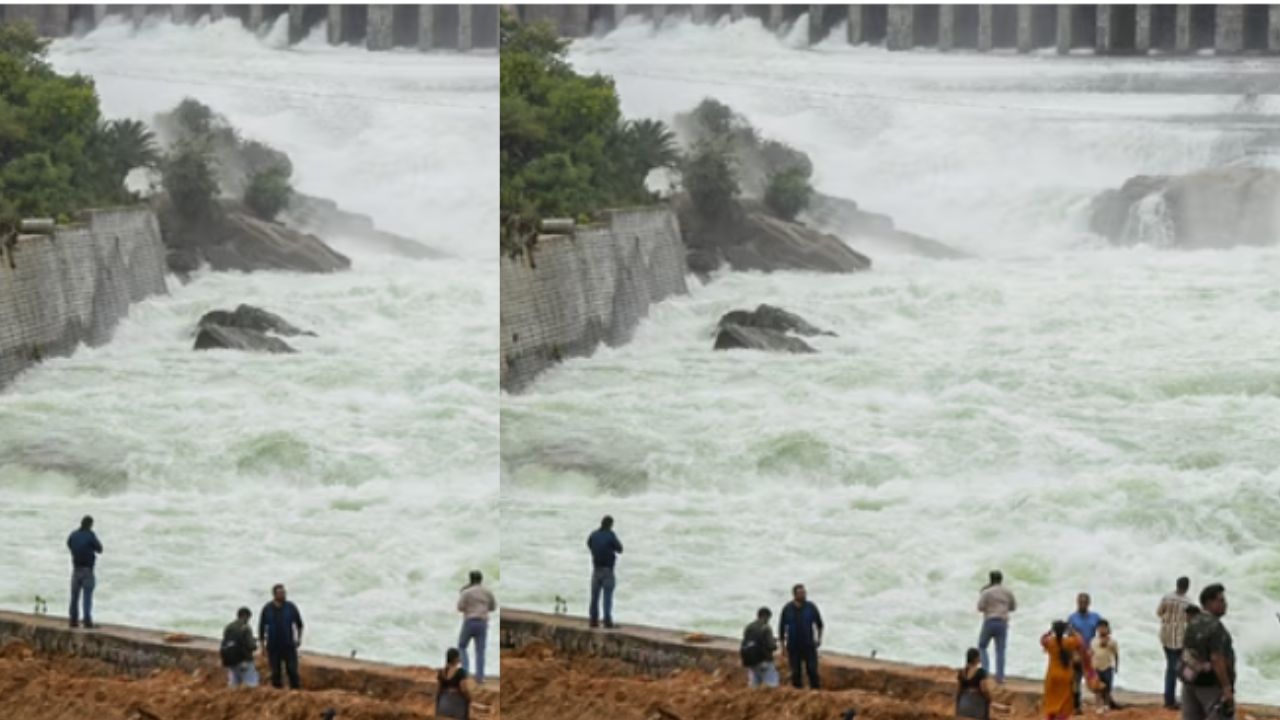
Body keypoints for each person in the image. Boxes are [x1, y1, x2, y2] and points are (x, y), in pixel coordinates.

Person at [1180, 584, 1235, 720]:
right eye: (1221, 600)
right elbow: (1216, 658)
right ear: (1209, 602)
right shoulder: (1215, 626)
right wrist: (1227, 688)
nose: (1225, 604)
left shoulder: (1193, 622)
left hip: (1190, 683)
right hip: (1211, 685)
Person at [778, 583, 824, 689]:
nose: (803, 595)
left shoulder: (811, 607)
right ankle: (797, 692)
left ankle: (816, 691)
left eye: (804, 592)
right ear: (794, 594)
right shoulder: (787, 608)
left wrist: (819, 639)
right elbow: (781, 629)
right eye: (801, 593)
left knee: (812, 670)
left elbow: (820, 624)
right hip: (793, 645)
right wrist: (783, 647)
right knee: (795, 672)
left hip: (808, 644)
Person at [258, 584, 304, 689]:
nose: (283, 595)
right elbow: (261, 628)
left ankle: (295, 691)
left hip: (288, 644)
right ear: (274, 594)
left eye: (284, 592)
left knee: (292, 670)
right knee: (275, 672)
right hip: (273, 645)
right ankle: (277, 692)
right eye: (280, 593)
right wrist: (262, 646)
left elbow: (299, 624)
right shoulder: (267, 608)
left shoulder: (291, 607)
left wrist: (299, 639)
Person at [1158, 576, 1192, 710]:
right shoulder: (1188, 602)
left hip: (1165, 636)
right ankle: (1174, 700)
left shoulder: (1166, 597)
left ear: (1176, 584)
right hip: (1179, 639)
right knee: (1180, 669)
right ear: (1187, 587)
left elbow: (1159, 612)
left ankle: (1170, 699)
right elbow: (1189, 620)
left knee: (1171, 668)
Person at [977, 570, 1017, 683]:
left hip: (990, 621)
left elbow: (980, 607)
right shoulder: (1007, 592)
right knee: (1000, 650)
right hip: (1002, 622)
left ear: (990, 579)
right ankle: (1000, 677)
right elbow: (1013, 607)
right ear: (1001, 579)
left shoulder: (986, 592)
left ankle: (985, 672)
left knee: (982, 646)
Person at [457, 570, 497, 684]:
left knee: (462, 646)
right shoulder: (487, 592)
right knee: (480, 650)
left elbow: (459, 607)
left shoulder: (466, 592)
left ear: (470, 579)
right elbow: (493, 607)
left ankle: (465, 672)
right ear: (481, 579)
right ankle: (480, 677)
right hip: (482, 622)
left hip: (470, 621)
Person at [1068, 592, 1103, 713]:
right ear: (1077, 602)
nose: (1082, 604)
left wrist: (1099, 648)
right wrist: (1073, 654)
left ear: (1089, 603)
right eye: (1080, 602)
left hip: (1091, 653)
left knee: (1095, 680)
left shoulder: (1096, 617)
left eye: (1084, 602)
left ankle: (1101, 705)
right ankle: (1076, 706)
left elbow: (1103, 631)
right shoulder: (1072, 618)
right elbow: (1069, 637)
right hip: (1078, 653)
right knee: (1076, 680)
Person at [66, 516, 103, 629]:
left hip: (76, 569)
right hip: (87, 570)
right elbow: (100, 549)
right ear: (90, 524)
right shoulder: (90, 535)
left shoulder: (73, 535)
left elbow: (69, 544)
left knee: (74, 596)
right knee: (87, 596)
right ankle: (87, 620)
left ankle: (73, 620)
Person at [586, 515, 623, 629]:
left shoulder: (593, 534)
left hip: (596, 569)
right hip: (608, 570)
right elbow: (620, 549)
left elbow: (589, 544)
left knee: (594, 597)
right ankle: (607, 621)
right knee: (607, 596)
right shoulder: (610, 535)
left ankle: (593, 620)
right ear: (610, 525)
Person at [1042, 620, 1083, 720]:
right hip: (1066, 675)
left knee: (1051, 700)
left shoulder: (1050, 642)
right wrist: (1072, 630)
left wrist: (1049, 631)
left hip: (1052, 675)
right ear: (1064, 630)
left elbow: (1042, 640)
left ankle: (1051, 717)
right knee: (1066, 701)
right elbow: (1080, 640)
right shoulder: (1069, 642)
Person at [741, 606, 779, 689]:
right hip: (764, 660)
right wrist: (775, 645)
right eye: (768, 618)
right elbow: (771, 645)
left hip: (751, 660)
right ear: (766, 616)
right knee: (771, 684)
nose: (768, 620)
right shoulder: (766, 627)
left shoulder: (749, 627)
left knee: (754, 685)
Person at [221, 607, 259, 688]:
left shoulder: (229, 627)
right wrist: (255, 644)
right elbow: (251, 645)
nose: (248, 620)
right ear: (245, 616)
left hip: (231, 660)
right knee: (251, 684)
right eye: (248, 618)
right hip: (244, 660)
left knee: (234, 684)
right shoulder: (246, 627)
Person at [436, 647, 475, 719]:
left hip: (443, 705)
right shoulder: (460, 672)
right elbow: (463, 689)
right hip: (457, 706)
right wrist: (469, 698)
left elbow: (438, 690)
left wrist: (438, 706)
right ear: (456, 659)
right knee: (466, 703)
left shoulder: (441, 672)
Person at [1091, 620, 1122, 712]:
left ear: (1108, 629)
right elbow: (1091, 653)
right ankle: (1098, 706)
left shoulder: (1112, 642)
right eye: (1100, 627)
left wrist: (1116, 666)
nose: (1102, 629)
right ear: (1097, 629)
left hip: (1108, 667)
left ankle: (1106, 705)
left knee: (1107, 688)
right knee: (1097, 688)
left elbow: (1116, 655)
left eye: (1104, 627)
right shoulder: (1094, 641)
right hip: (1096, 667)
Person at [957, 647, 994, 719]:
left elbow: (959, 690)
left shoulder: (961, 672)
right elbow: (984, 689)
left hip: (963, 705)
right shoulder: (980, 672)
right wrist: (989, 699)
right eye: (979, 657)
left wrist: (958, 705)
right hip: (977, 706)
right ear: (976, 659)